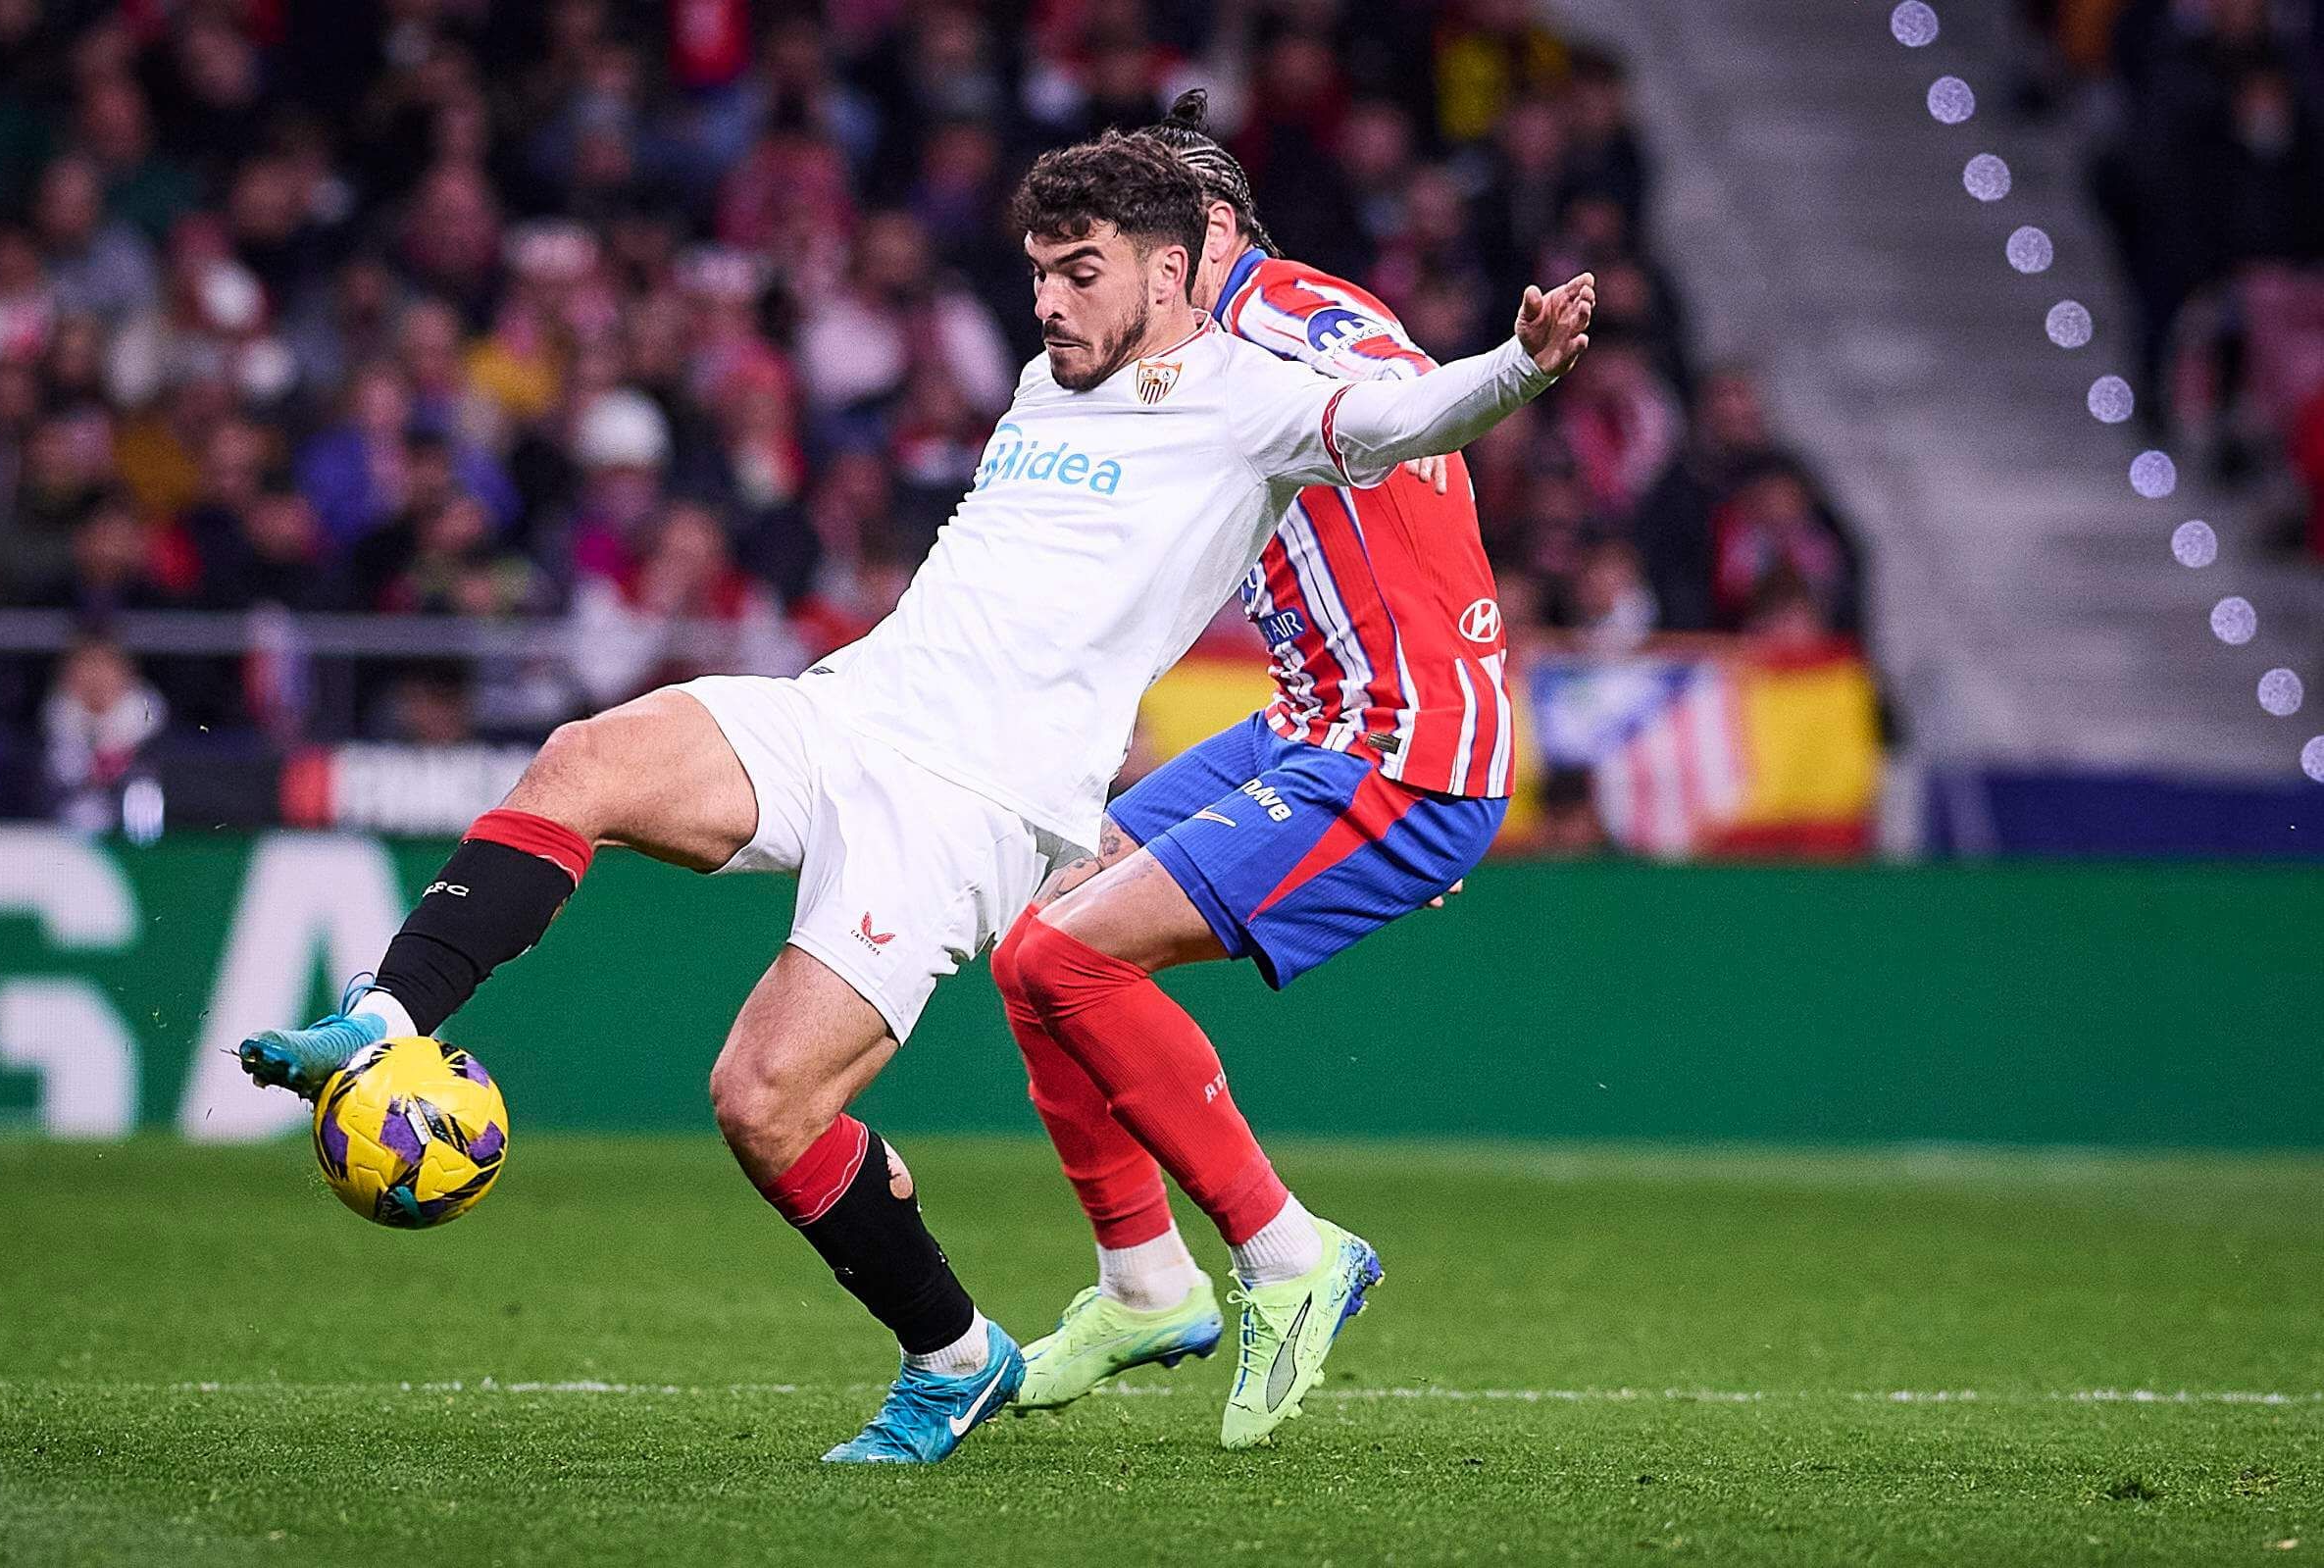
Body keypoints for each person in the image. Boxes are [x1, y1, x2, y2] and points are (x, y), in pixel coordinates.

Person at [232, 131, 1592, 1465]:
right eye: (1039, 271)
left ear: (1172, 269)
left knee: (765, 1106)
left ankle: (954, 1359)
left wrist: (1520, 364)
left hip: (970, 810)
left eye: (1080, 271)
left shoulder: (1258, 403)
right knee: (582, 759)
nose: (1048, 300)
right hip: (848, 712)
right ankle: (380, 1017)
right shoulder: (1048, 377)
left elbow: (1413, 414)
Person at [995, 92, 1531, 1448]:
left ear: (1210, 235)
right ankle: (1143, 1284)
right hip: (1315, 725)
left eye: (1135, 245)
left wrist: (1515, 366)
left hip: (1395, 750)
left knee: (1071, 961)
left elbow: (1404, 394)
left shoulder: (1292, 314)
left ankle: (1292, 1256)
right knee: (1026, 941)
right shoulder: (1184, 367)